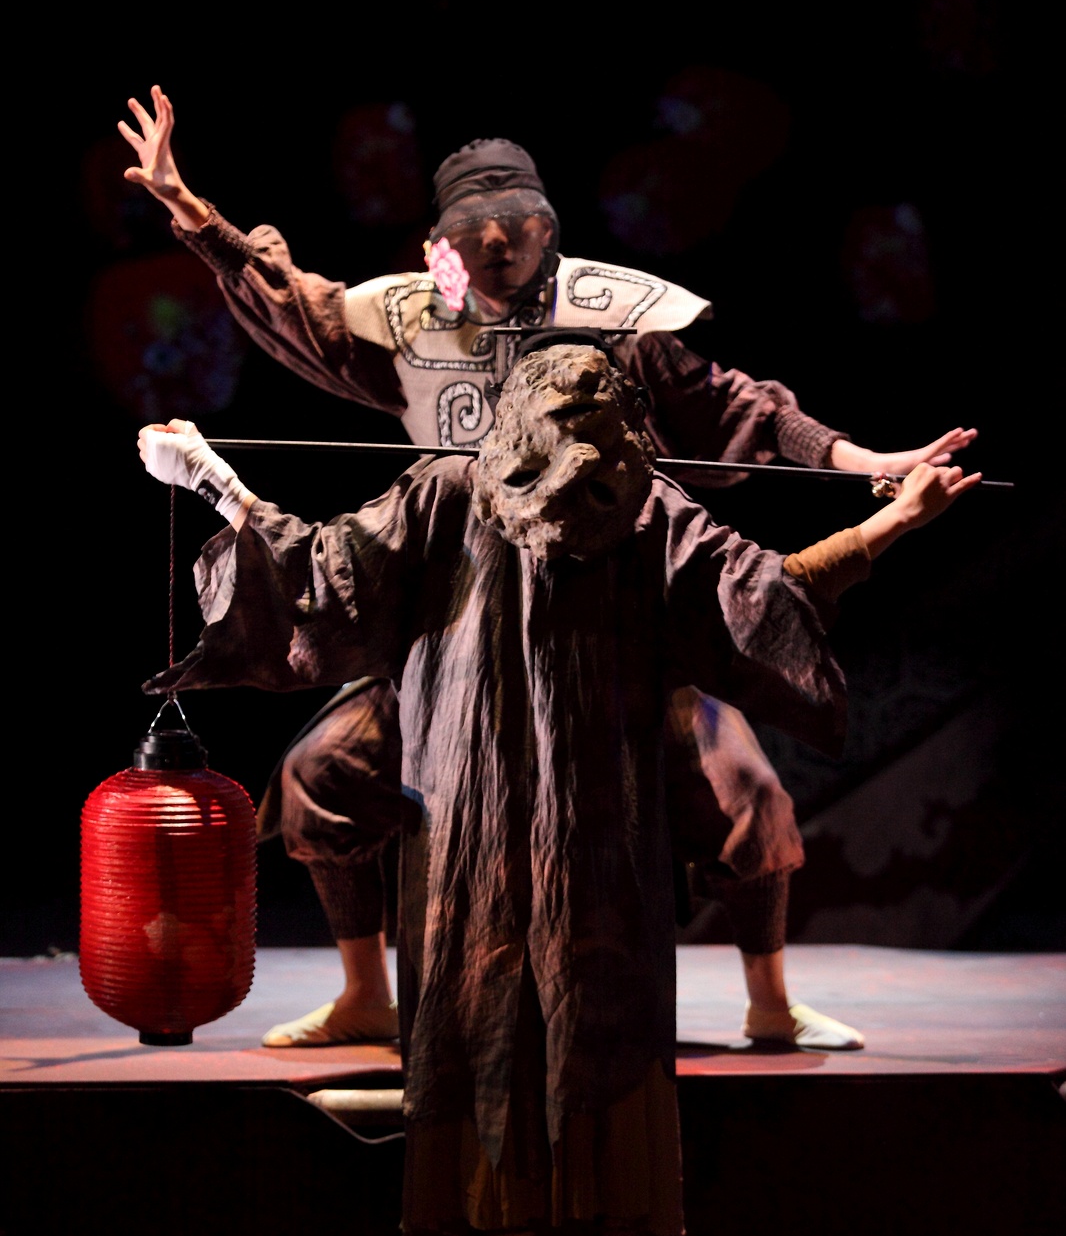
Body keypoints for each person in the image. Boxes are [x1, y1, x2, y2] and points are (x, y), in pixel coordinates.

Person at [136, 343, 978, 1236]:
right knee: (567, 1026)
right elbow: (769, 593)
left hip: (516, 842)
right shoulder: (606, 505)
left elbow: (320, 576)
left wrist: (212, 480)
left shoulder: (498, 496)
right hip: (557, 838)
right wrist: (895, 522)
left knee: (520, 1026)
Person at [120, 85, 978, 1053]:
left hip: (609, 627)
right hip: (454, 633)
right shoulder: (420, 376)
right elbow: (291, 304)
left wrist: (868, 467)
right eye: (473, 229)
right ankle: (368, 992)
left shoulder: (620, 342)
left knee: (747, 797)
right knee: (322, 775)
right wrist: (189, 209)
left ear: (548, 231)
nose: (496, 243)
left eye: (515, 222)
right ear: (442, 249)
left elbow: (745, 412)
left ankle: (769, 1002)